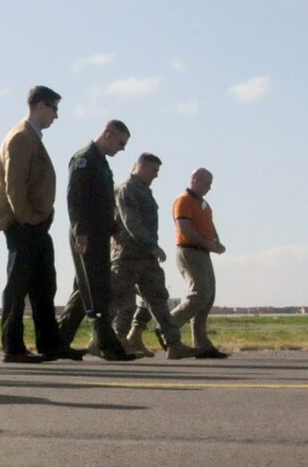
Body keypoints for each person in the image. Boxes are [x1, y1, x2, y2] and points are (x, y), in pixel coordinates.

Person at [0, 87, 78, 363]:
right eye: (54, 108)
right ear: (39, 106)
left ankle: (50, 343)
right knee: (18, 285)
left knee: (44, 284)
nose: (56, 116)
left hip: (36, 223)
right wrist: (27, 217)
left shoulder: (31, 136)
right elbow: (14, 184)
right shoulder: (21, 136)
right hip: (24, 223)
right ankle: (13, 347)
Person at [56, 120, 139, 361]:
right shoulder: (84, 159)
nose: (121, 149)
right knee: (96, 287)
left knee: (85, 288)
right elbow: (76, 197)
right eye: (120, 143)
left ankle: (60, 340)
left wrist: (113, 229)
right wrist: (80, 230)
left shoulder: (101, 163)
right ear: (108, 134)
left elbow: (103, 202)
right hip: (87, 234)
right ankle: (106, 344)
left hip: (98, 232)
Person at [109, 153, 197, 359]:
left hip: (145, 257)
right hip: (128, 255)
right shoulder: (126, 189)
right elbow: (131, 222)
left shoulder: (144, 191)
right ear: (141, 166)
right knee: (123, 301)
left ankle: (173, 343)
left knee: (158, 298)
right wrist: (152, 246)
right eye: (154, 170)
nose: (156, 176)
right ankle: (117, 340)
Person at [169, 168, 230, 359]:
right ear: (195, 180)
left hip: (202, 252)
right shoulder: (184, 200)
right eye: (207, 183)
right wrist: (206, 243)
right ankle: (168, 327)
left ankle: (202, 344)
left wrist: (216, 242)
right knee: (200, 293)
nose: (209, 188)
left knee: (207, 297)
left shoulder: (203, 204)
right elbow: (184, 228)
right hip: (189, 251)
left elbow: (209, 226)